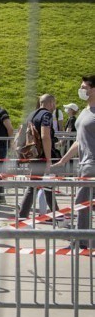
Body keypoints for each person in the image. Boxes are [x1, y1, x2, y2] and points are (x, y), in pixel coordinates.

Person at [52, 74, 95, 248]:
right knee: (83, 203)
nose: (81, 90)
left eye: (84, 87)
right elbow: (78, 141)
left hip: (92, 164)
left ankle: (82, 241)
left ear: (93, 89)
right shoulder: (85, 111)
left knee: (81, 203)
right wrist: (63, 161)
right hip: (83, 163)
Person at [17, 94, 59, 220]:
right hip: (42, 155)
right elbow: (45, 136)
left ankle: (55, 214)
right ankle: (56, 215)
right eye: (54, 103)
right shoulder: (47, 115)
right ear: (51, 103)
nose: (55, 106)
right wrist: (48, 159)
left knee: (40, 184)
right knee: (41, 184)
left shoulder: (32, 114)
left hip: (33, 153)